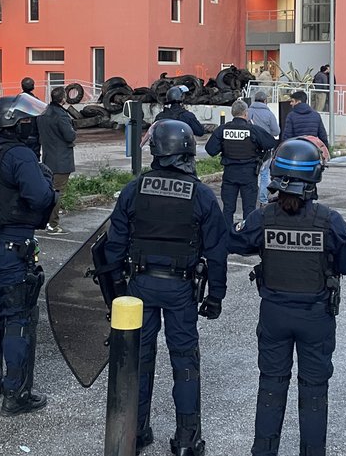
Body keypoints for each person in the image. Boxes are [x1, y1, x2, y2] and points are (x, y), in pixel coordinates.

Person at [103, 119, 228, 456]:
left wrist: (115, 294)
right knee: (185, 361)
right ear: (187, 149)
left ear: (156, 151)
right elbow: (217, 251)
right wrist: (216, 296)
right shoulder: (200, 194)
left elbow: (113, 247)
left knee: (138, 360)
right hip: (180, 289)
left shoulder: (133, 189)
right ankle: (187, 441)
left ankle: (135, 432)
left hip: (139, 285)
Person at [229, 138, 346, 456]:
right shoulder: (330, 221)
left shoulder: (264, 218)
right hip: (316, 315)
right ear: (315, 177)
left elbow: (236, 242)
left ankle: (263, 451)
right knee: (314, 391)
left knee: (271, 384)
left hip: (274, 313)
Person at [0, 95, 56, 414]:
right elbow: (40, 196)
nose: (30, 126)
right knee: (18, 317)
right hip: (12, 248)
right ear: (14, 123)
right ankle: (16, 395)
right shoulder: (18, 154)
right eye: (26, 121)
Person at [205, 99, 276, 231]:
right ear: (245, 113)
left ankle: (226, 236)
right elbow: (270, 143)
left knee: (228, 209)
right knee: (249, 209)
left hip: (230, 174)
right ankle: (246, 235)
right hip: (249, 174)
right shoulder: (253, 130)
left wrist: (223, 145)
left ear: (232, 113)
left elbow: (210, 150)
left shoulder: (223, 130)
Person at [37, 87, 76, 235]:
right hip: (61, 161)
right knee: (57, 193)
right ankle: (52, 225)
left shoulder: (43, 113)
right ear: (63, 99)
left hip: (48, 158)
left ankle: (44, 220)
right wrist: (73, 130)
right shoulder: (62, 116)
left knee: (48, 191)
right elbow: (69, 136)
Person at [248, 91, 281, 207]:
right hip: (265, 149)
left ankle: (251, 197)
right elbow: (276, 131)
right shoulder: (269, 114)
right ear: (265, 101)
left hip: (250, 147)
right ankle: (263, 199)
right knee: (264, 173)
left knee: (252, 173)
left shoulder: (247, 112)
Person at [18, 77, 42, 159]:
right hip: (34, 136)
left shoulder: (16, 100)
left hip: (20, 136)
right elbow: (40, 119)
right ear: (33, 87)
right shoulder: (36, 101)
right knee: (34, 159)